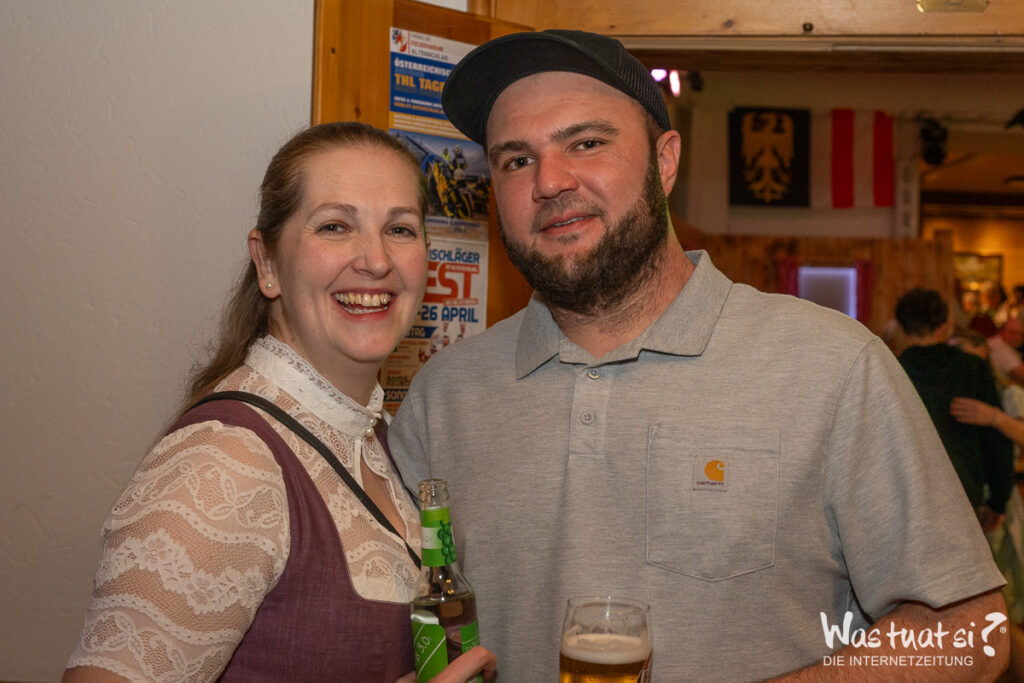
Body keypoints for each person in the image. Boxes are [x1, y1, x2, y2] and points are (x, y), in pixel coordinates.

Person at [388, 29, 1008, 681]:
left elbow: (973, 631)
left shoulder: (832, 366)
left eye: (587, 143)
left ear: (665, 162)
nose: (549, 181)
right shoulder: (442, 396)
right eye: (516, 160)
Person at [63, 122, 495, 683]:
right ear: (267, 264)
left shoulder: (380, 438)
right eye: (335, 226)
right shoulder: (223, 464)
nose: (376, 260)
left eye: (400, 228)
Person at [894, 288, 1013, 531]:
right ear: (944, 325)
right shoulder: (971, 367)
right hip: (963, 486)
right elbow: (994, 440)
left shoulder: (893, 370)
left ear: (901, 327)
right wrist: (998, 501)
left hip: (905, 490)